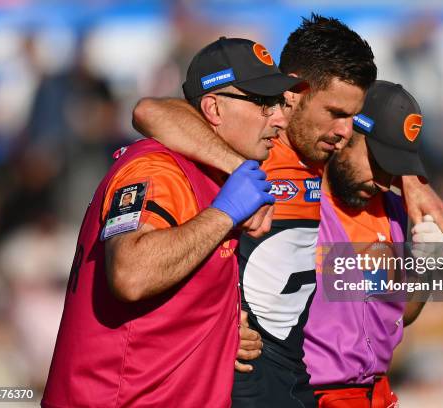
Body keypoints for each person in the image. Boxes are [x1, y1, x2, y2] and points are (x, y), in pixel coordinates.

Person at [133, 15, 443, 407]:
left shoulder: (334, 167)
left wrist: (416, 188)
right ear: (293, 93)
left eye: (352, 118)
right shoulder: (255, 148)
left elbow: (398, 312)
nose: (344, 131)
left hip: (324, 390)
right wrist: (240, 171)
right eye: (336, 113)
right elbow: (150, 112)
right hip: (267, 388)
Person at [42, 37, 301, 407]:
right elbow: (131, 275)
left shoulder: (220, 174)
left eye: (278, 102)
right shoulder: (158, 168)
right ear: (213, 107)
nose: (279, 117)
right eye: (263, 103)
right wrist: (224, 214)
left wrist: (221, 330)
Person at [304, 80, 443, 407]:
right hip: (314, 396)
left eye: (394, 169)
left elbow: (398, 314)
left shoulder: (394, 210)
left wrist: (427, 266)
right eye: (378, 162)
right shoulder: (298, 204)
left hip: (378, 395)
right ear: (343, 135)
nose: (383, 180)